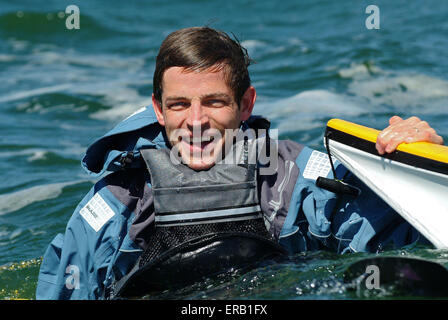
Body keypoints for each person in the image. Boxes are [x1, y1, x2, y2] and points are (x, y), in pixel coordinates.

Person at [36, 27, 444, 300]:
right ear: (159, 110)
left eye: (214, 102)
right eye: (179, 104)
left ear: (246, 104)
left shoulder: (299, 179)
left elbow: (413, 250)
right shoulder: (114, 205)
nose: (196, 122)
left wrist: (417, 165)